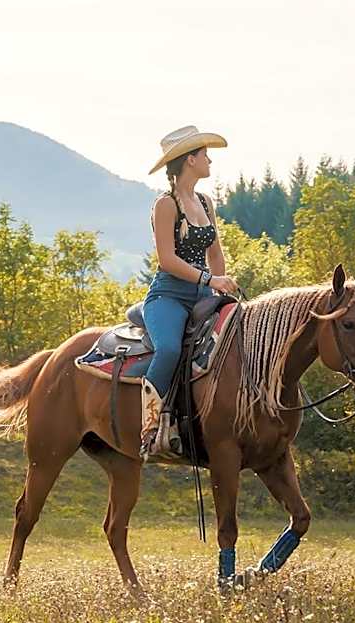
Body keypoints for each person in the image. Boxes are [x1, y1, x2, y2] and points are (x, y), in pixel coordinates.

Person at [140, 125, 239, 461]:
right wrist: (211, 281)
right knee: (168, 350)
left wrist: (223, 285)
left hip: (203, 296)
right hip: (168, 297)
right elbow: (167, 260)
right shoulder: (166, 205)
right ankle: (150, 431)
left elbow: (215, 252)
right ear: (190, 160)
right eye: (204, 154)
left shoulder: (205, 202)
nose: (210, 159)